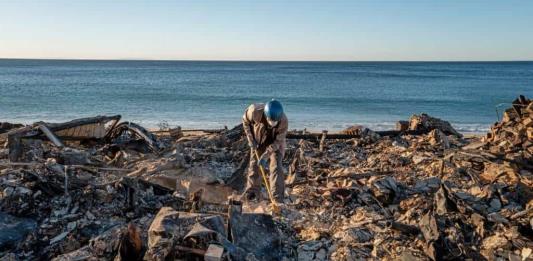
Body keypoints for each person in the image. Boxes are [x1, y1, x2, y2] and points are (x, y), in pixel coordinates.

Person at [241, 99, 288, 203]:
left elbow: (278, 141)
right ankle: (252, 192)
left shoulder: (283, 121)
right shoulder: (254, 111)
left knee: (276, 166)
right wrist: (250, 139)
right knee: (254, 164)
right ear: (266, 115)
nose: (272, 124)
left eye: (275, 122)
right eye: (271, 121)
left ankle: (277, 198)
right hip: (258, 139)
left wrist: (266, 155)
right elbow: (245, 122)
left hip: (275, 142)